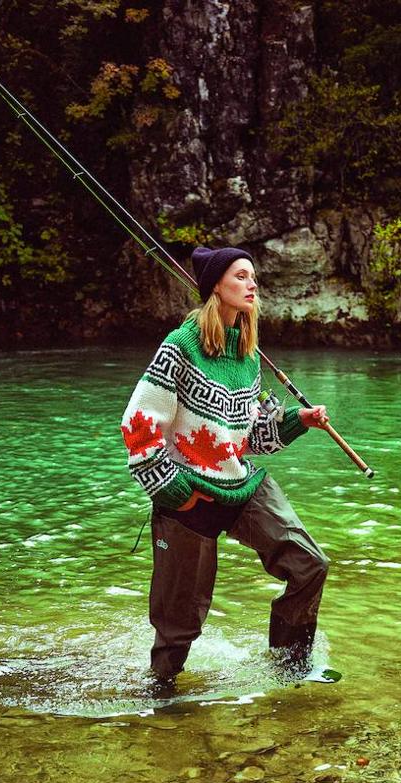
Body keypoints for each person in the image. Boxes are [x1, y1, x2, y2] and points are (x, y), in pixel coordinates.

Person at [120, 246, 332, 688]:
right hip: (188, 494)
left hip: (241, 487)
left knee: (310, 564)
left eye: (253, 276)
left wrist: (298, 421)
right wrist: (175, 490)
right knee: (179, 627)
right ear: (216, 286)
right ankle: (161, 699)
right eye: (241, 276)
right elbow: (138, 423)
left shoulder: (249, 355)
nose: (252, 284)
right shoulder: (180, 347)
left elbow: (249, 437)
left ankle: (290, 668)